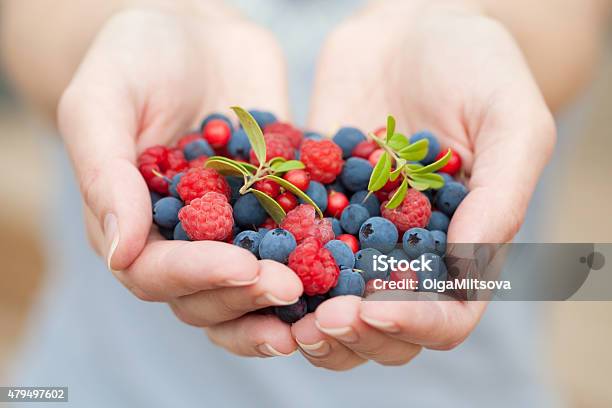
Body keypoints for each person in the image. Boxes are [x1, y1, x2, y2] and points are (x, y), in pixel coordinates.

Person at [1, 0, 609, 406]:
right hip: (105, 384)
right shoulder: (225, 186)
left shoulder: (387, 194)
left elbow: (566, 21)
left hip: (467, 386)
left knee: (561, 267)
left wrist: (481, 26)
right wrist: (121, 31)